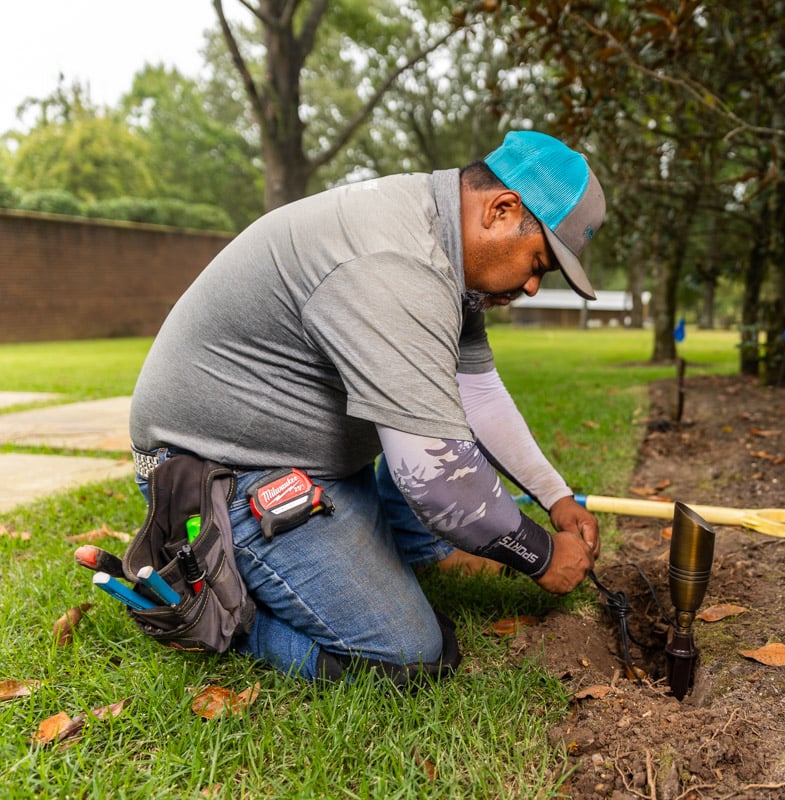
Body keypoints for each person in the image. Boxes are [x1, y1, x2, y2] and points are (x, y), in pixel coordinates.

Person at [128, 130, 605, 684]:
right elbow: (436, 477)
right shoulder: (395, 263)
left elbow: (476, 393)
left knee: (420, 428)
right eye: (539, 263)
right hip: (214, 472)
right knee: (409, 658)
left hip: (304, 460)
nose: (529, 287)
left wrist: (555, 495)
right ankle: (205, 604)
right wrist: (543, 555)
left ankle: (394, 548)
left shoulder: (444, 246)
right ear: (501, 210)